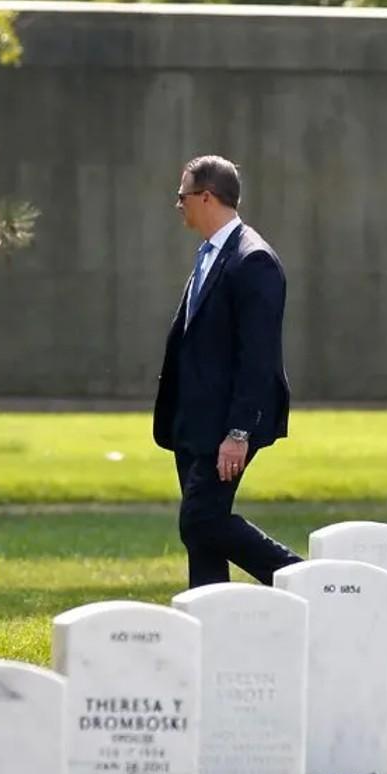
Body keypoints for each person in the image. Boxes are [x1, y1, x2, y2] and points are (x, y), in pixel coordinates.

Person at [152, 155, 304, 588]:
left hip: (226, 425)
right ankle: (210, 619)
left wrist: (238, 432)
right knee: (202, 533)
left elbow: (258, 356)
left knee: (200, 520)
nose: (177, 204)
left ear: (206, 197)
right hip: (194, 423)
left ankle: (306, 581)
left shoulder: (253, 260)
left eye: (182, 195)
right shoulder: (209, 255)